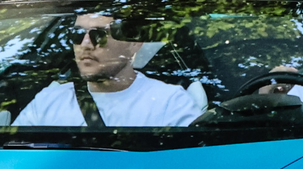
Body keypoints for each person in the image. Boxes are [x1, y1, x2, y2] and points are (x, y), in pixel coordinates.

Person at [13, 11, 206, 127]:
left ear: (134, 44)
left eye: (99, 35)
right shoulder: (48, 101)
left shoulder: (170, 103)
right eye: (77, 34)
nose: (86, 44)